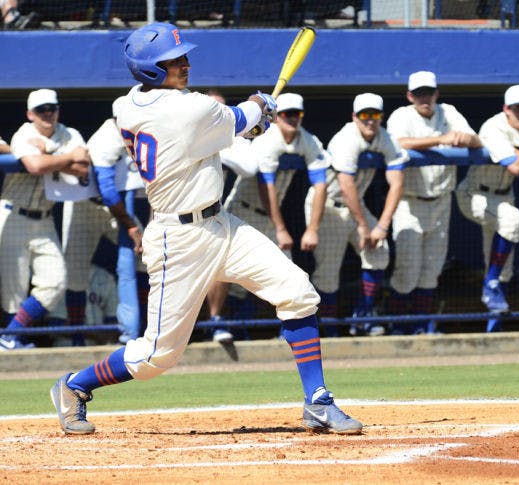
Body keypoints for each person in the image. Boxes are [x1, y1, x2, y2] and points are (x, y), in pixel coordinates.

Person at [49, 22, 361, 435]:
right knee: (156, 357)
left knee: (298, 292)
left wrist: (253, 116)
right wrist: (260, 106)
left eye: (182, 57)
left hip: (221, 224)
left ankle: (318, 400)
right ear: (150, 71)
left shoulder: (128, 104)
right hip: (178, 239)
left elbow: (230, 125)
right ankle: (75, 386)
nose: (184, 64)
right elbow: (238, 117)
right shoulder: (188, 109)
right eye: (171, 61)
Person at [208, 92, 331, 338]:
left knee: (283, 274)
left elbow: (321, 183)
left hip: (271, 218)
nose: (292, 119)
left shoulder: (307, 140)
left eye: (297, 114)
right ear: (277, 116)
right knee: (227, 272)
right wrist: (281, 228)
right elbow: (267, 187)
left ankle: (280, 330)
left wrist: (312, 228)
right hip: (243, 211)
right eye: (286, 114)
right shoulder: (266, 139)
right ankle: (217, 323)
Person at [386, 70, 482, 335]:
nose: (424, 98)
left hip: (441, 200)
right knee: (407, 270)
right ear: (410, 96)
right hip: (409, 203)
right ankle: (397, 327)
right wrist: (441, 140)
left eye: (428, 92)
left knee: (431, 270)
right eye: (418, 93)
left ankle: (421, 327)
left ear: (436, 93)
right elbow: (398, 143)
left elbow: (476, 141)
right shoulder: (401, 115)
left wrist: (465, 139)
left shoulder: (448, 112)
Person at [456, 84, 519, 320]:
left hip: (504, 195)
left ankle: (494, 310)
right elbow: (515, 167)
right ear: (506, 109)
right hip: (475, 193)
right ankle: (490, 283)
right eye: (516, 108)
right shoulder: (493, 127)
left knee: (506, 269)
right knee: (514, 219)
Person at [308, 93, 407, 337]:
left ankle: (361, 317)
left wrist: (382, 226)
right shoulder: (346, 139)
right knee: (328, 273)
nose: (370, 120)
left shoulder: (385, 138)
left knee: (379, 251)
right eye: (364, 114)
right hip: (328, 206)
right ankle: (328, 329)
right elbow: (346, 185)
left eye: (375, 114)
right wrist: (363, 226)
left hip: (355, 206)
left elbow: (397, 182)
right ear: (354, 117)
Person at [0, 89, 90, 350]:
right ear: (31, 114)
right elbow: (34, 166)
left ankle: (10, 334)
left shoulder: (69, 133)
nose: (48, 113)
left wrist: (48, 152)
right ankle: (12, 341)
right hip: (12, 212)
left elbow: (83, 166)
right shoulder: (24, 133)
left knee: (56, 281)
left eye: (52, 107)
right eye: (41, 110)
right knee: (12, 289)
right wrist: (66, 156)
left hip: (45, 218)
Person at [85, 96, 145, 345]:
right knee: (75, 273)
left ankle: (136, 330)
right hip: (87, 209)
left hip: (120, 207)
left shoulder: (140, 132)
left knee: (143, 259)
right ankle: (73, 337)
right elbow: (108, 192)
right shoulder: (105, 139)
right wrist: (130, 225)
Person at [202, 90, 259, 344]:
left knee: (219, 268)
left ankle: (215, 322)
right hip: (173, 220)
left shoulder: (226, 138)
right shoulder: (188, 129)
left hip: (210, 216)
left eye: (223, 109)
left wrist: (240, 134)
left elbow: (250, 167)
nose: (218, 114)